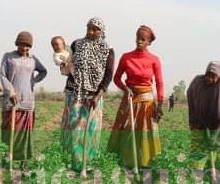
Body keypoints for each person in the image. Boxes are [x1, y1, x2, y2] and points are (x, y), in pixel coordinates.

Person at [60, 17, 115, 172]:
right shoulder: (76, 44)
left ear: (101, 31)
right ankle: (73, 163)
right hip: (75, 93)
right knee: (74, 128)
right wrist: (64, 64)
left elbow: (108, 75)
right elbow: (67, 66)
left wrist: (97, 96)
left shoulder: (108, 49)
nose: (91, 31)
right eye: (89, 28)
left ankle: (88, 163)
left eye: (95, 29)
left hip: (94, 95)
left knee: (91, 129)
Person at [108, 25, 164, 168]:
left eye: (143, 39)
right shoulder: (126, 57)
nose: (139, 41)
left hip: (147, 101)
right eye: (138, 38)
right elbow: (117, 78)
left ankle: (146, 162)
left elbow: (159, 83)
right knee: (127, 129)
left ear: (149, 42)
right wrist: (125, 89)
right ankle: (127, 161)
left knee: (146, 130)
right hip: (129, 98)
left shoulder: (154, 60)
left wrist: (160, 104)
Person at [0, 31, 47, 162]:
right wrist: (11, 92)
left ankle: (23, 160)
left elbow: (43, 71)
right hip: (11, 100)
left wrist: (34, 81)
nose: (24, 48)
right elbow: (2, 75)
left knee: (24, 133)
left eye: (27, 46)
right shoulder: (8, 57)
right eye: (21, 45)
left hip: (27, 101)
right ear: (17, 44)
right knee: (9, 130)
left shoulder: (33, 59)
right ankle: (8, 157)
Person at [186, 61, 220, 168]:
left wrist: (216, 127)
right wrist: (194, 119)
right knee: (197, 146)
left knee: (212, 146)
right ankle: (196, 171)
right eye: (208, 75)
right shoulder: (197, 82)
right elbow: (190, 97)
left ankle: (210, 169)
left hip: (214, 122)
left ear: (218, 77)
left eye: (213, 76)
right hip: (197, 121)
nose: (209, 78)